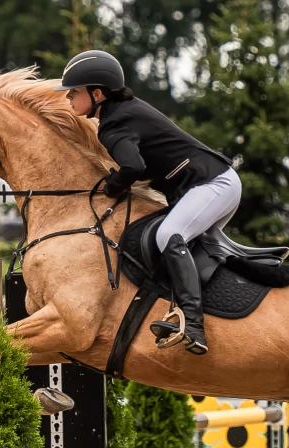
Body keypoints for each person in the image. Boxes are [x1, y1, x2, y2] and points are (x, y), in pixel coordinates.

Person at [56, 50, 240, 355]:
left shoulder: (112, 123)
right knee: (177, 249)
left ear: (97, 94)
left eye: (74, 92)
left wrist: (113, 186)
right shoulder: (123, 111)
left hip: (212, 184)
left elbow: (133, 167)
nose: (69, 98)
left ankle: (193, 325)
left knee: (169, 235)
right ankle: (194, 314)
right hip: (210, 183)